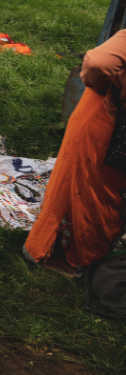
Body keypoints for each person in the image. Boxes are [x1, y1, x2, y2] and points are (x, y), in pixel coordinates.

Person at [24, 30, 126, 273]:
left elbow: (99, 63)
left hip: (110, 123)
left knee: (89, 188)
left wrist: (102, 88)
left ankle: (80, 258)